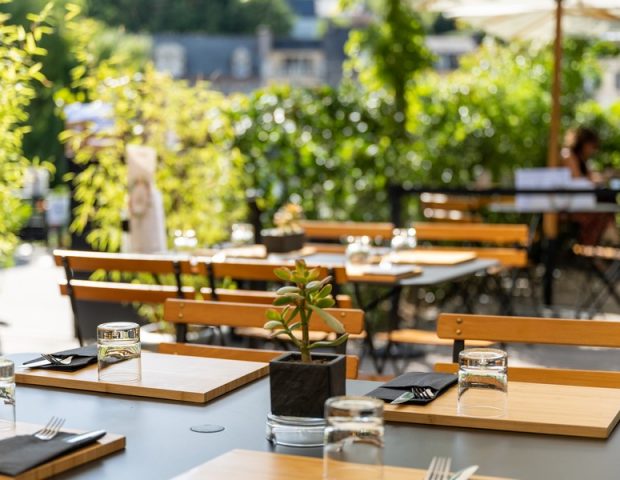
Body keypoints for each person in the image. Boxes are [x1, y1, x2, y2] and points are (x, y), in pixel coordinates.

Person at [561, 127, 618, 245]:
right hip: (572, 201)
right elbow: (578, 179)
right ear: (584, 143)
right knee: (607, 198)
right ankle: (600, 240)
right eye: (592, 146)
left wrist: (605, 176)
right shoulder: (568, 155)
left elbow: (590, 177)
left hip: (583, 198)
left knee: (609, 197)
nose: (593, 150)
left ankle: (607, 238)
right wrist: (597, 179)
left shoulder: (582, 159)